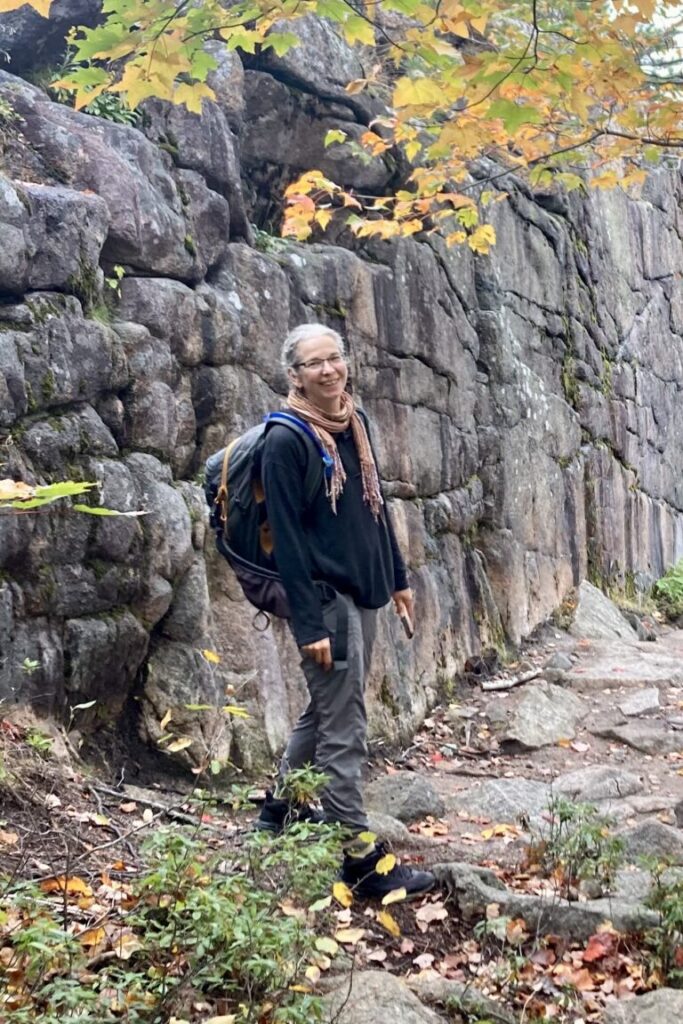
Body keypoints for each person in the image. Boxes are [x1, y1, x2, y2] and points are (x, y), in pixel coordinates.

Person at [256, 323, 435, 899]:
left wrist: (398, 580)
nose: (328, 370)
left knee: (325, 709)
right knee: (345, 723)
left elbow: (372, 511)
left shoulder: (354, 424)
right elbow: (285, 539)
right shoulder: (286, 441)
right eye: (314, 364)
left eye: (335, 358)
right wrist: (308, 624)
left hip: (363, 593)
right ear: (295, 375)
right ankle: (359, 859)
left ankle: (278, 811)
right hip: (325, 602)